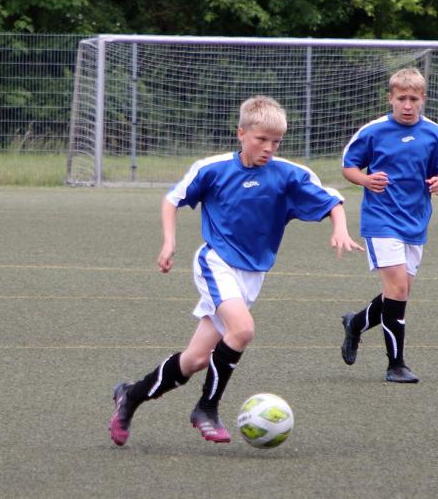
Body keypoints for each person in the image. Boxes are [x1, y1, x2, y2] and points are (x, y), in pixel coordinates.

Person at [109, 96, 363, 446]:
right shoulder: (213, 168)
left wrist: (340, 228)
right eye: (261, 139)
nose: (269, 148)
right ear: (241, 133)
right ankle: (206, 408)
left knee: (195, 359)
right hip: (216, 262)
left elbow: (332, 199)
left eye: (276, 142)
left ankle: (130, 396)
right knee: (242, 330)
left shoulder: (289, 174)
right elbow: (172, 200)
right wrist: (169, 243)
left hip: (251, 276)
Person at [338, 68, 438, 383]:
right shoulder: (374, 131)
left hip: (415, 221)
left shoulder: (436, 134)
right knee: (397, 289)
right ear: (390, 98)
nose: (407, 104)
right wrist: (365, 179)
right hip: (381, 219)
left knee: (398, 294)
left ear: (423, 100)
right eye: (401, 98)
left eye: (413, 99)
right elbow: (348, 166)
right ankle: (396, 365)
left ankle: (356, 323)